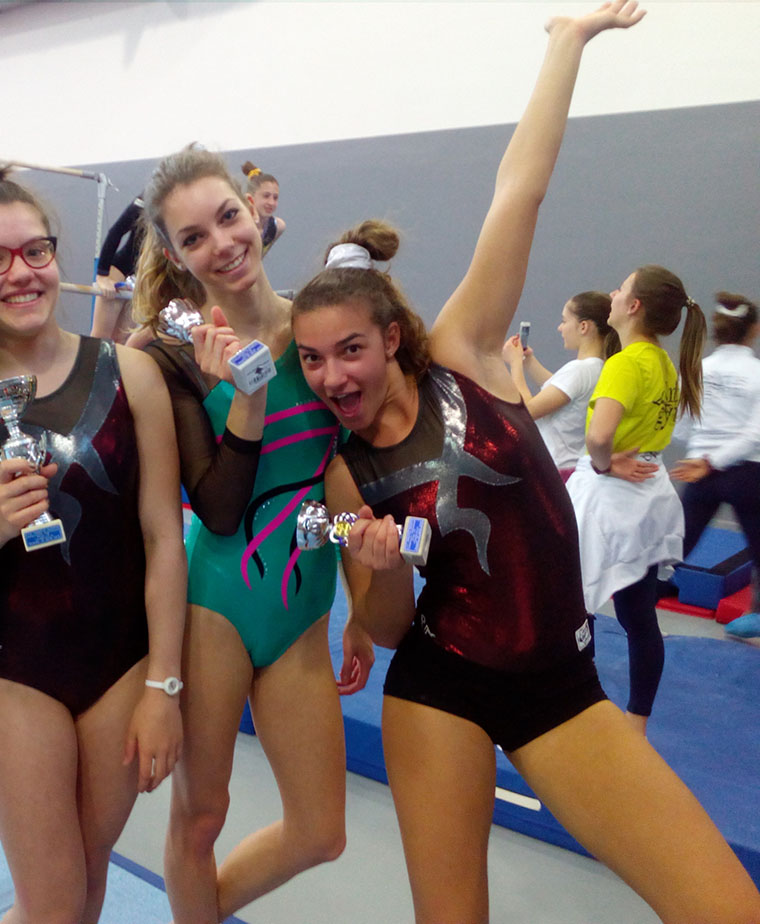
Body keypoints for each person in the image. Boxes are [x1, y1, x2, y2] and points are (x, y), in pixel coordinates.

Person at [290, 4, 760, 921]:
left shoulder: (461, 351)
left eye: (349, 350)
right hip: (439, 687)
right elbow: (386, 625)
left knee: (727, 908)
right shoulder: (341, 464)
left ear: (391, 337)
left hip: (561, 686)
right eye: (312, 360)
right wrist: (380, 568)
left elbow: (520, 192)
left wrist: (567, 44)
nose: (332, 376)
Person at [0, 151, 185, 923]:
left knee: (88, 885)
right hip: (16, 667)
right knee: (52, 902)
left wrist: (165, 687)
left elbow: (164, 539)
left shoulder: (130, 374)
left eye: (36, 250)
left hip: (125, 669)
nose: (22, 273)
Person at [132, 144, 355, 922]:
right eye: (194, 237)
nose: (222, 244)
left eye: (229, 217)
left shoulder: (321, 328)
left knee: (321, 832)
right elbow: (219, 510)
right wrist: (244, 396)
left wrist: (364, 601)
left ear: (255, 211)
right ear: (174, 254)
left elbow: (349, 470)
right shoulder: (173, 357)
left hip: (304, 609)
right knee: (200, 818)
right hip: (216, 604)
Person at [566, 263, 705, 735]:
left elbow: (599, 437)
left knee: (574, 608)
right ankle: (635, 723)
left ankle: (570, 711)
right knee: (638, 616)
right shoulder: (663, 363)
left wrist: (605, 463)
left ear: (634, 305)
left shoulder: (624, 364)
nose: (612, 291)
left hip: (612, 498)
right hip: (651, 495)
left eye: (621, 287)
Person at [670, 291, 760, 639]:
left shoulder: (697, 369)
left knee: (677, 544)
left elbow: (681, 427)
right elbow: (754, 434)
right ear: (753, 330)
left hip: (700, 469)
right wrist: (714, 460)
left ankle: (644, 592)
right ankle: (757, 615)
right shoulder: (756, 373)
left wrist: (705, 454)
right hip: (745, 472)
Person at [502, 290, 618, 478]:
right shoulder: (599, 368)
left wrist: (515, 365)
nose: (560, 328)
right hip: (573, 468)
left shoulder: (578, 370)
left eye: (564, 321)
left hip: (557, 472)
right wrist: (528, 360)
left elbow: (526, 412)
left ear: (583, 327)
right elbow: (560, 388)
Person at [91, 194, 145, 343]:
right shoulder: (148, 199)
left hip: (140, 278)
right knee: (101, 337)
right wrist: (102, 275)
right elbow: (116, 231)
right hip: (118, 271)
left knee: (121, 338)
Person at [241, 161, 286, 255]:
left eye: (275, 198)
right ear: (250, 198)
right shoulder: (238, 226)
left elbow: (259, 258)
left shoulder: (276, 227)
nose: (271, 202)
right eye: (266, 196)